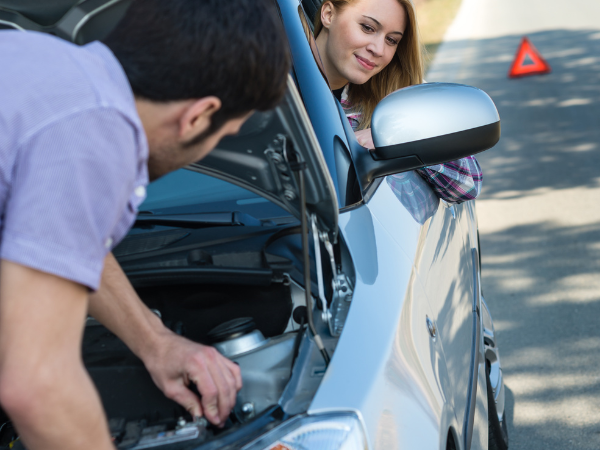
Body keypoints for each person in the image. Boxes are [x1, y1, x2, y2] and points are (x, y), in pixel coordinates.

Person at [0, 0, 290, 448]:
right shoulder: (95, 132)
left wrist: (156, 342)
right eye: (220, 135)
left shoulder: (43, 66)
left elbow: (66, 240)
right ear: (197, 116)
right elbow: (37, 384)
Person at [313, 0, 482, 203]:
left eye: (391, 40)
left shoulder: (394, 95)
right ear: (329, 14)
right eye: (367, 28)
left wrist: (394, 139)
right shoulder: (276, 89)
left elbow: (468, 182)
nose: (379, 50)